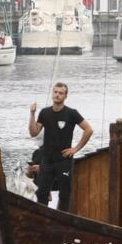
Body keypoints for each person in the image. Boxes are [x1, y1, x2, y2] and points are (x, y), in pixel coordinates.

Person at [28, 82, 94, 212]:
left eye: (61, 93)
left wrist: (75, 149)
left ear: (65, 96)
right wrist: (32, 114)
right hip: (47, 159)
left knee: (65, 194)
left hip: (64, 160)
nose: (57, 95)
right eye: (55, 92)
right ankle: (43, 219)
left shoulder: (71, 113)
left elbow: (89, 130)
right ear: (53, 93)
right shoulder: (45, 112)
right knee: (41, 193)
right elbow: (33, 132)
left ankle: (62, 220)